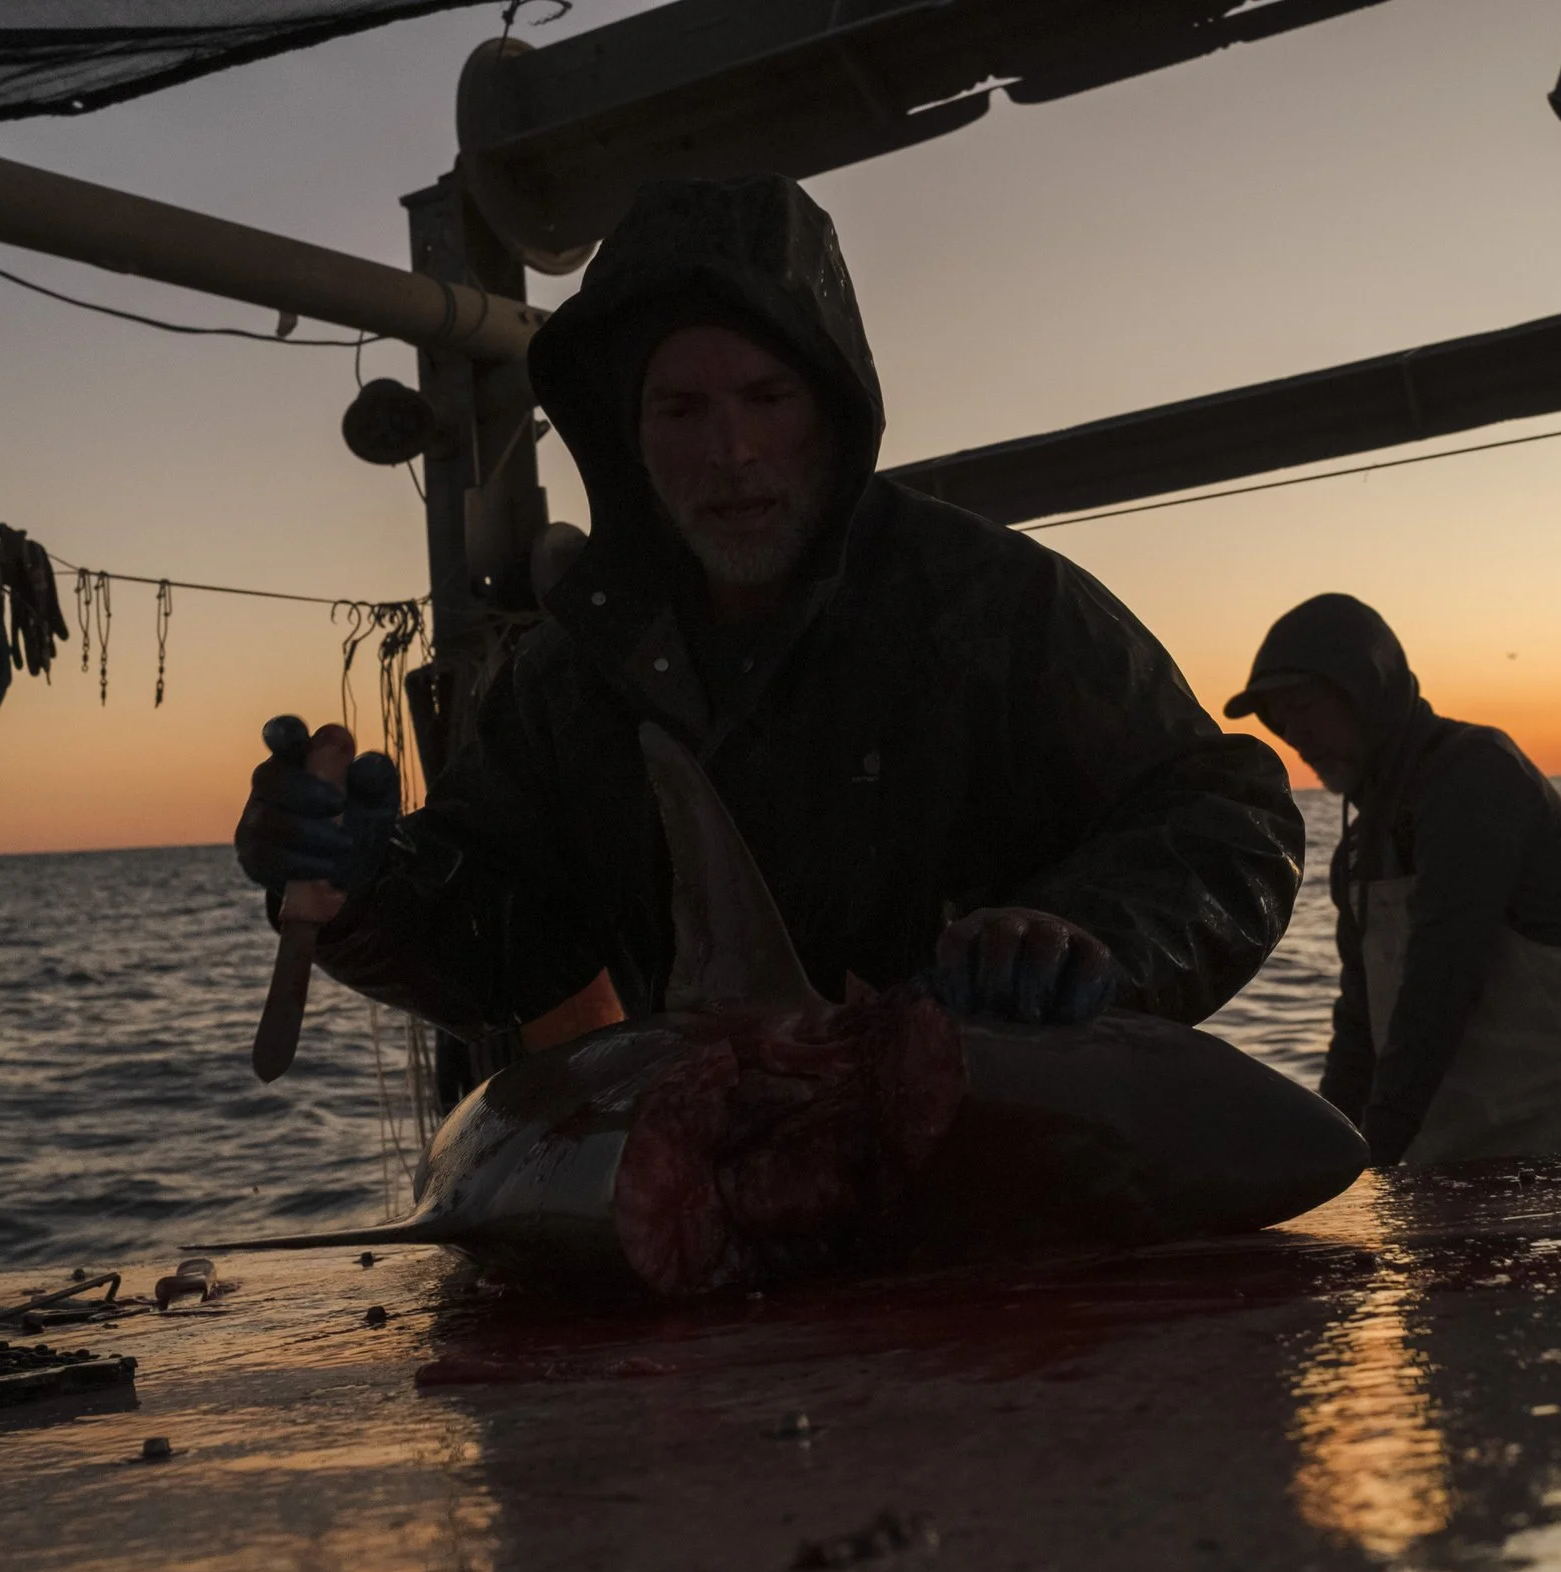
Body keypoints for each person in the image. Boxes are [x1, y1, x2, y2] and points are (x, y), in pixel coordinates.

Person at [235, 175, 1304, 1046]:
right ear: (626, 435)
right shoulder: (567, 681)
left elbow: (1228, 818)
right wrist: (367, 888)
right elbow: (512, 943)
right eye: (681, 407)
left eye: (766, 397)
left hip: (998, 1188)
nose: (730, 451)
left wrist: (1087, 934)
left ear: (832, 412)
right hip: (718, 1196)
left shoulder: (991, 603)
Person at [1224, 594, 1561, 1167]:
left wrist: (1378, 1146)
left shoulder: (1475, 772)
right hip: (1473, 1127)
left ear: (1369, 690)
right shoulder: (1357, 852)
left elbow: (1443, 969)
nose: (1295, 732)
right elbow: (1360, 1023)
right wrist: (1327, 1152)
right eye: (1280, 717)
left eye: (1306, 705)